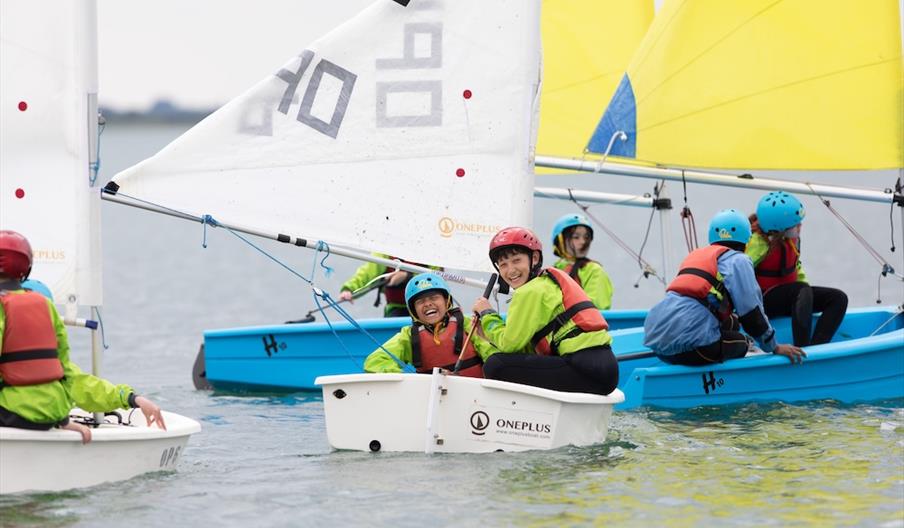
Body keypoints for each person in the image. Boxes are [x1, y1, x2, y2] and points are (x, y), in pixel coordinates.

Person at [0, 230, 167, 444]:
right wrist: (132, 398)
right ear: (26, 267)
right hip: (51, 416)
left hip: (10, 416)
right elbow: (72, 377)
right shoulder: (46, 307)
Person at [643, 210, 806, 366]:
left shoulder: (696, 256)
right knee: (742, 341)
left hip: (659, 347)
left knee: (732, 322)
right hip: (697, 350)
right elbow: (751, 313)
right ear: (746, 237)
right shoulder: (739, 260)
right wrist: (774, 347)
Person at [471, 227, 619, 395]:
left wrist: (487, 314)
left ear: (534, 258)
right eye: (503, 264)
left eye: (516, 260)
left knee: (496, 364)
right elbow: (523, 349)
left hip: (584, 369)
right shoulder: (546, 284)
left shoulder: (529, 291)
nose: (510, 270)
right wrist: (488, 335)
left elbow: (509, 346)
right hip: (605, 370)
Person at [747, 191, 848, 346]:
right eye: (796, 225)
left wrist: (806, 298)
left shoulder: (790, 240)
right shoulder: (757, 244)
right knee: (801, 289)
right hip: (764, 303)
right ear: (778, 228)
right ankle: (802, 346)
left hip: (791, 297)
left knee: (838, 298)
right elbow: (736, 272)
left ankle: (818, 348)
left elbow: (796, 268)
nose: (800, 227)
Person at [363, 273, 496, 376]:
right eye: (420, 301)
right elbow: (375, 361)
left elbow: (493, 355)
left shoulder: (468, 325)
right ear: (413, 310)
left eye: (434, 298)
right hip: (432, 401)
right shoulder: (409, 336)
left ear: (446, 301)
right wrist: (410, 382)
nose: (428, 304)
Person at [338, 255, 436, 318]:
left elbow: (436, 278)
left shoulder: (429, 250)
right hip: (397, 309)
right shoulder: (385, 250)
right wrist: (349, 289)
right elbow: (368, 272)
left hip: (430, 308)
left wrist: (407, 277)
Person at [550, 213, 614, 309]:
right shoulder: (552, 270)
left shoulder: (594, 270)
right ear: (561, 240)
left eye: (586, 237)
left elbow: (596, 308)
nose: (582, 242)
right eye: (576, 237)